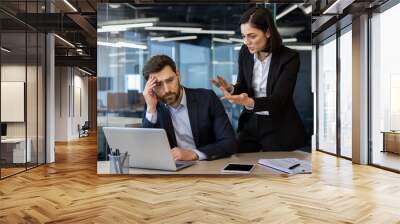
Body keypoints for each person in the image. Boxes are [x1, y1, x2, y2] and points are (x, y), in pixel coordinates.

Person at [211, 7, 308, 153]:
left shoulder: (289, 58)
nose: (246, 42)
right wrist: (231, 88)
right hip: (250, 121)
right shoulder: (245, 53)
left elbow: (279, 100)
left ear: (268, 32)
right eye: (243, 36)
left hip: (277, 125)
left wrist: (248, 102)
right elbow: (243, 86)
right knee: (239, 162)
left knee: (274, 170)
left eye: (252, 36)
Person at [142, 55, 237, 161]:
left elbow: (229, 143)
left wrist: (194, 154)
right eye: (158, 84)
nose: (167, 89)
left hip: (208, 166)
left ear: (178, 75)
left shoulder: (207, 98)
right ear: (151, 87)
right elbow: (146, 150)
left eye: (170, 80)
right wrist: (150, 109)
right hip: (174, 171)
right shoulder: (153, 106)